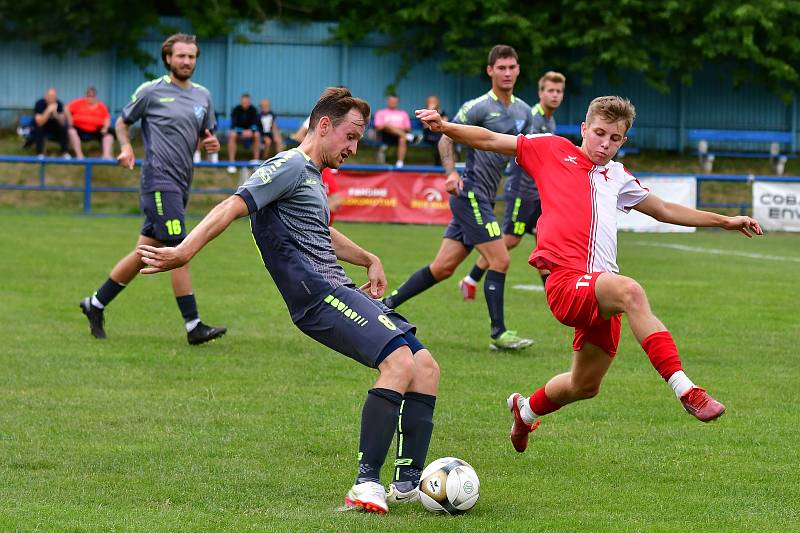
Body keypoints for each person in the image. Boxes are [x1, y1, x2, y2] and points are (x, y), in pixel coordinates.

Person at [137, 87, 440, 514]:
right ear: (324, 125)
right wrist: (184, 250)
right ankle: (365, 483)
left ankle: (409, 483)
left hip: (341, 289)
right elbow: (231, 205)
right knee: (399, 363)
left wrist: (368, 257)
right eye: (350, 136)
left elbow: (321, 232)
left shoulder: (312, 177)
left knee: (425, 366)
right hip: (317, 297)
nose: (354, 148)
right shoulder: (288, 165)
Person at [415, 95, 763, 453]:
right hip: (566, 283)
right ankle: (687, 390)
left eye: (614, 139)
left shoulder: (617, 175)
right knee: (632, 292)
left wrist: (724, 220)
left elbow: (662, 209)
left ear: (623, 140)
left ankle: (525, 409)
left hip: (599, 289)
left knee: (584, 385)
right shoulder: (550, 149)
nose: (605, 144)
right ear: (584, 128)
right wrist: (445, 127)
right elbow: (489, 139)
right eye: (599, 133)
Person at [78, 33, 227, 345]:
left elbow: (205, 134)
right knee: (179, 250)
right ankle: (193, 325)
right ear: (168, 59)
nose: (187, 61)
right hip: (159, 181)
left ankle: (96, 303)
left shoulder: (203, 96)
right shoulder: (151, 91)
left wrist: (210, 142)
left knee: (144, 253)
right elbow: (122, 122)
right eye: (181, 56)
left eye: (192, 56)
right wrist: (126, 148)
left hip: (182, 183)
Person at [383, 45, 534, 351]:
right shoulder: (477, 107)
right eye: (500, 67)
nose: (507, 73)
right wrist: (451, 173)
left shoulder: (524, 113)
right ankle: (498, 333)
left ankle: (385, 306)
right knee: (500, 258)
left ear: (518, 70)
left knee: (442, 268)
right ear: (490, 71)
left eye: (512, 67)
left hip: (486, 198)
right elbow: (445, 137)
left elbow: (525, 157)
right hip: (472, 194)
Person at [459, 71, 566, 299]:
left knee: (545, 240)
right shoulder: (533, 117)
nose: (555, 96)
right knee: (510, 240)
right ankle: (470, 279)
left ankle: (552, 292)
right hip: (523, 190)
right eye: (551, 91)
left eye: (559, 91)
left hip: (539, 192)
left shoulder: (550, 120)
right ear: (541, 93)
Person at [66, 86, 115, 160]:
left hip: (96, 130)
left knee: (109, 135)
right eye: (89, 96)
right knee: (71, 131)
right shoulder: (78, 102)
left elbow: (107, 118)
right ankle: (79, 156)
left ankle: (106, 156)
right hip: (79, 129)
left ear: (95, 97)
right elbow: (66, 108)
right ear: (86, 96)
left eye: (92, 96)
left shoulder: (101, 106)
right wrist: (69, 119)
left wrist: (105, 128)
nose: (90, 98)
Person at [374, 94, 413, 168]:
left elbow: (408, 128)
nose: (392, 103)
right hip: (385, 135)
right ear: (388, 101)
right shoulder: (381, 112)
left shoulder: (403, 114)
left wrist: (398, 129)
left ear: (397, 102)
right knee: (387, 125)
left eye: (394, 101)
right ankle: (408, 137)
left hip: (399, 137)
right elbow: (378, 127)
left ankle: (400, 163)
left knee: (402, 138)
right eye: (391, 101)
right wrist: (391, 126)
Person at [226, 93, 262, 173]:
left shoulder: (253, 110)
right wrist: (242, 131)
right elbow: (233, 125)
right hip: (238, 133)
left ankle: (255, 162)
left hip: (250, 133)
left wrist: (251, 131)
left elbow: (256, 124)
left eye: (246, 102)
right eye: (243, 102)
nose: (245, 103)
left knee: (257, 134)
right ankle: (231, 163)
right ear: (241, 101)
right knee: (232, 134)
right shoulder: (236, 110)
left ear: (249, 102)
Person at [32, 87, 70, 158]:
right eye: (49, 96)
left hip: (55, 126)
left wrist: (55, 114)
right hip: (43, 126)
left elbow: (62, 122)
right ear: (45, 96)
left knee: (64, 128)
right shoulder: (39, 103)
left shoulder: (59, 104)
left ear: (56, 97)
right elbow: (39, 122)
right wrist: (48, 110)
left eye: (53, 96)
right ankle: (40, 153)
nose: (51, 98)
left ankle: (64, 152)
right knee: (39, 129)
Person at [420, 95, 448, 166]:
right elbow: (425, 124)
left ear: (438, 103)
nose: (432, 103)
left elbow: (445, 123)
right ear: (427, 103)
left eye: (434, 102)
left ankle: (450, 162)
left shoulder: (442, 112)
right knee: (439, 140)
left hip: (440, 133)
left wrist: (436, 115)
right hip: (429, 134)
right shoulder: (424, 112)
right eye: (430, 102)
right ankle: (438, 164)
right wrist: (430, 110)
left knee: (445, 138)